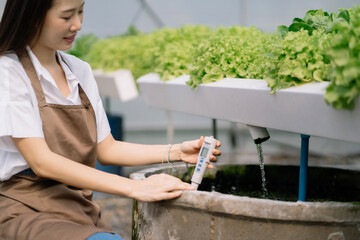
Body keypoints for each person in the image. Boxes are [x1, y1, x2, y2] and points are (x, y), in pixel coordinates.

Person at [0, 0, 221, 239]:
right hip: (25, 209)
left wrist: (177, 151)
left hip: (77, 208)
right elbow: (42, 162)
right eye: (66, 16)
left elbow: (107, 149)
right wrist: (135, 187)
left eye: (81, 11)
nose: (78, 24)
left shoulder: (79, 70)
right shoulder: (8, 73)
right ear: (32, 16)